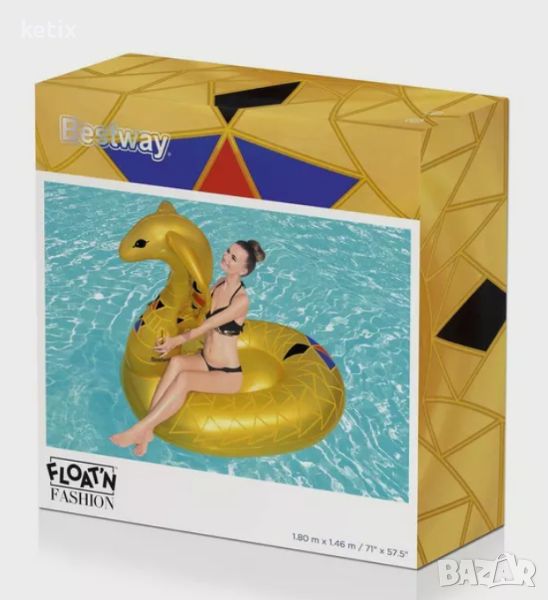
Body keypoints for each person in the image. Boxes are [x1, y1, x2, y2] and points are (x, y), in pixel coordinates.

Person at [109, 239, 266, 457]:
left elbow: (208, 324)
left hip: (227, 373)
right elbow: (198, 310)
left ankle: (140, 429)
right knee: (176, 362)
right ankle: (147, 431)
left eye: (234, 258)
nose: (226, 258)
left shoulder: (240, 300)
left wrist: (175, 341)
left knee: (185, 379)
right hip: (205, 360)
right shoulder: (219, 284)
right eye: (228, 251)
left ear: (244, 270)